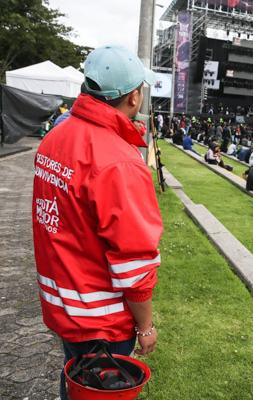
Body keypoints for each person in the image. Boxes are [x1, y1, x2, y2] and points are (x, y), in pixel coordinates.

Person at [32, 45, 162, 399]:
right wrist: (146, 326)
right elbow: (135, 266)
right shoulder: (119, 162)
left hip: (64, 307)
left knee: (75, 381)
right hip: (101, 319)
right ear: (133, 97)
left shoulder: (55, 137)